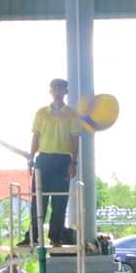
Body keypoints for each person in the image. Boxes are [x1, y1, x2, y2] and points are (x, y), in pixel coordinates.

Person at [26, 78, 79, 247]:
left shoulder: (72, 114)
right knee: (38, 199)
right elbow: (36, 136)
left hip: (63, 159)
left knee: (60, 201)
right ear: (50, 91)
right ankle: (33, 235)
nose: (58, 92)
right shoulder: (41, 113)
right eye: (55, 89)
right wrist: (31, 157)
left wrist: (73, 162)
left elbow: (75, 138)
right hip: (44, 158)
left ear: (65, 92)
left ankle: (55, 236)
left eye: (61, 89)